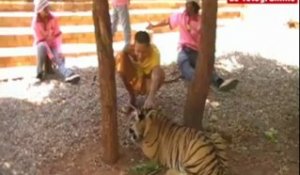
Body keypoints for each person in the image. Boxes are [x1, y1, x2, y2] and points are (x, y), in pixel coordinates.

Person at [146, 0, 238, 91]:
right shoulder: (181, 16)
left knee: (205, 66)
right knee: (184, 64)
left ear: (194, 6)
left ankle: (219, 82)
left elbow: (207, 37)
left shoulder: (201, 20)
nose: (186, 5)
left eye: (188, 4)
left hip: (196, 51)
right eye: (186, 3)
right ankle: (200, 82)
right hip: (183, 49)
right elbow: (168, 20)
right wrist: (154, 26)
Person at [32, 0, 80, 84]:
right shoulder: (35, 23)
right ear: (39, 10)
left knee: (59, 58)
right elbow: (41, 40)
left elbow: (58, 36)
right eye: (44, 9)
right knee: (41, 47)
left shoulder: (53, 18)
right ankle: (39, 73)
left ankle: (68, 74)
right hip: (43, 45)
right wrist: (51, 56)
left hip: (53, 45)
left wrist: (59, 51)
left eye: (47, 8)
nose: (47, 11)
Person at [116, 31, 165, 110]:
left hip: (147, 78)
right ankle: (132, 98)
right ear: (134, 45)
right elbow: (120, 58)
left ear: (149, 47)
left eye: (144, 52)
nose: (140, 56)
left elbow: (156, 73)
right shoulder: (130, 48)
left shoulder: (155, 54)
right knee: (120, 59)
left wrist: (151, 97)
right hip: (137, 76)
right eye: (138, 51)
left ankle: (149, 99)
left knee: (160, 73)